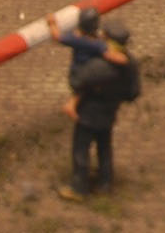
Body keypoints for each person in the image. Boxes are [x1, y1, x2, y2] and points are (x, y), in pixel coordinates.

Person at [58, 18, 141, 201]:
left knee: (81, 149)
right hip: (110, 111)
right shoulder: (130, 63)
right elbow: (133, 92)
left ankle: (79, 187)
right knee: (105, 147)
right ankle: (105, 182)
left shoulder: (98, 66)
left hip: (89, 114)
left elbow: (76, 81)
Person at [47, 7, 128, 121]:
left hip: (76, 72)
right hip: (84, 76)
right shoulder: (96, 44)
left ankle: (72, 104)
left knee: (86, 86)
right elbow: (113, 56)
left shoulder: (76, 38)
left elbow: (57, 36)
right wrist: (125, 58)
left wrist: (52, 23)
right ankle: (76, 105)